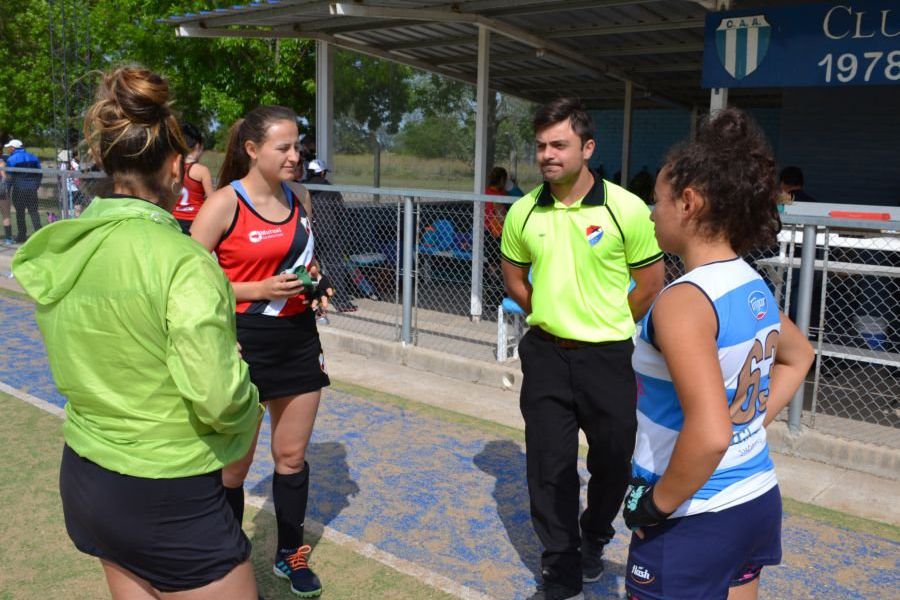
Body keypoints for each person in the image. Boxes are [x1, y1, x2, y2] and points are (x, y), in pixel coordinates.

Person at [11, 66, 262, 599]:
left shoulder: (66, 246)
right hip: (167, 489)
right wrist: (243, 384)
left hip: (86, 474)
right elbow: (219, 398)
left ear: (105, 159)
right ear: (177, 166)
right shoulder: (184, 262)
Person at [623, 108, 815, 600]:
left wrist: (654, 506)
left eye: (657, 200)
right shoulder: (752, 283)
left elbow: (709, 434)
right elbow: (800, 356)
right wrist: (747, 422)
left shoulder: (683, 300)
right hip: (754, 497)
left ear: (688, 203)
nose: (651, 211)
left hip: (696, 511)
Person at [500, 97, 665, 600]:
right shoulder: (524, 212)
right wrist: (547, 313)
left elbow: (650, 282)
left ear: (587, 148)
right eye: (541, 146)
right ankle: (561, 569)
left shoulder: (627, 208)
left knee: (613, 459)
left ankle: (594, 534)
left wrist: (608, 322)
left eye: (559, 145)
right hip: (546, 354)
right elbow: (513, 273)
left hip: (609, 355)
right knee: (548, 467)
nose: (548, 155)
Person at [191, 105, 334, 599]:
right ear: (252, 150)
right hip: (243, 345)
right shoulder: (224, 204)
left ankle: (290, 557)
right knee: (234, 466)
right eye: (285, 147)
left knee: (291, 458)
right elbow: (186, 286)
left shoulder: (302, 198)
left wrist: (318, 287)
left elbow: (306, 265)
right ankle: (227, 556)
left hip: (298, 342)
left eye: (298, 146)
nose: (296, 156)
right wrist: (256, 290)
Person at [303, 159, 358, 313]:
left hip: (310, 234)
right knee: (336, 266)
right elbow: (341, 212)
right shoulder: (330, 189)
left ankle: (313, 300)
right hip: (330, 233)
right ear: (322, 172)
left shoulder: (303, 188)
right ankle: (341, 302)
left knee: (312, 268)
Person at [172, 122, 214, 234]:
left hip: (174, 219)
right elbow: (212, 200)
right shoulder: (201, 170)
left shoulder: (174, 167)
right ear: (198, 146)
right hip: (195, 220)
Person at [4, 139, 42, 243]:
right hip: (32, 189)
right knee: (34, 211)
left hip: (19, 189)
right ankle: (39, 234)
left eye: (9, 147)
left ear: (13, 148)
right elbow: (39, 173)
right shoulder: (33, 157)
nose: (8, 149)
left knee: (20, 213)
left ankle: (22, 235)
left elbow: (9, 177)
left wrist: (7, 189)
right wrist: (36, 185)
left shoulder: (12, 159)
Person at [0, 148, 12, 244]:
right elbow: (4, 176)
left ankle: (8, 238)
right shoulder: (2, 162)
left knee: (6, 215)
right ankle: (8, 238)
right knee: (6, 215)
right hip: (2, 191)